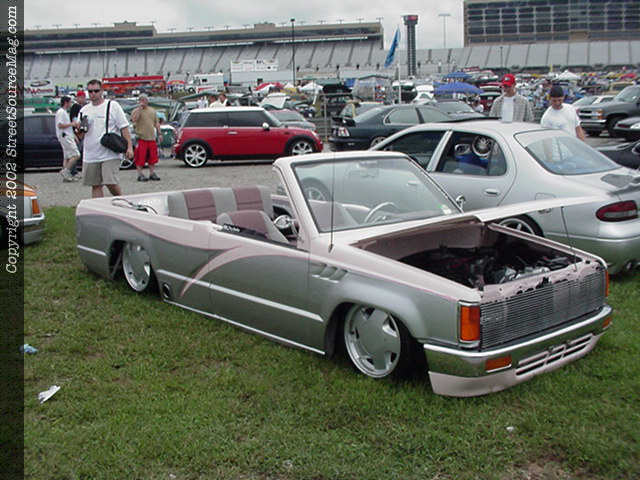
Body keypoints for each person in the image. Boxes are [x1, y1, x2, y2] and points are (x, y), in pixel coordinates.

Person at [78, 79, 133, 198]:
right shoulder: (84, 110)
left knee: (110, 182)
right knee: (95, 185)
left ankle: (121, 200)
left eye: (96, 91)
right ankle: (99, 208)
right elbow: (80, 136)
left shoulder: (112, 106)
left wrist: (129, 147)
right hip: (91, 154)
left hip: (109, 152)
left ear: (102, 91)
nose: (93, 94)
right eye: (90, 91)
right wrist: (79, 129)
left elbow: (124, 128)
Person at [130, 94, 161, 182]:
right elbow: (134, 119)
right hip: (141, 137)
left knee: (152, 157)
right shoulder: (135, 111)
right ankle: (140, 174)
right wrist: (139, 109)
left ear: (147, 101)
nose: (142, 102)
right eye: (141, 100)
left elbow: (156, 123)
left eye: (144, 100)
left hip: (151, 137)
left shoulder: (152, 111)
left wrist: (159, 133)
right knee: (140, 157)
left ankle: (152, 173)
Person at [54, 96, 81, 182]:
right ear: (66, 102)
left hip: (67, 135)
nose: (71, 104)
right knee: (76, 154)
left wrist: (74, 136)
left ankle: (66, 176)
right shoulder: (61, 112)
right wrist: (72, 124)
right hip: (65, 136)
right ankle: (66, 171)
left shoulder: (64, 112)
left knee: (67, 157)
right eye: (70, 102)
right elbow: (60, 125)